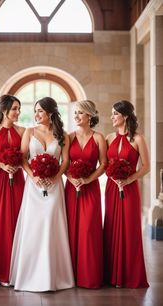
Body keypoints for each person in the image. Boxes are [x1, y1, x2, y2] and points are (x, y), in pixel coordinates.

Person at [9, 97, 74, 292]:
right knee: (33, 226)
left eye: (40, 111)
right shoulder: (29, 132)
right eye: (35, 111)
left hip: (54, 187)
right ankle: (28, 275)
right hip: (34, 186)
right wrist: (34, 177)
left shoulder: (63, 135)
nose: (36, 115)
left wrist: (55, 178)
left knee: (51, 225)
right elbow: (23, 159)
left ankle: (55, 276)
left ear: (50, 113)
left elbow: (65, 161)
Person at [104, 100, 150, 288]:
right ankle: (111, 276)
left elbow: (146, 166)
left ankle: (130, 276)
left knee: (130, 230)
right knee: (111, 228)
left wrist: (129, 180)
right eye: (112, 113)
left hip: (130, 189)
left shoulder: (138, 139)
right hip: (112, 188)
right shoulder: (108, 138)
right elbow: (105, 165)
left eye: (115, 113)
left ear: (125, 116)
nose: (112, 117)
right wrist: (114, 178)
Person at [65, 100, 106, 288]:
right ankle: (70, 276)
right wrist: (71, 178)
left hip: (91, 188)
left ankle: (89, 276)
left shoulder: (99, 138)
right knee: (71, 229)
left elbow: (104, 164)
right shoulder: (68, 137)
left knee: (89, 230)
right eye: (75, 113)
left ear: (89, 115)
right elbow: (63, 163)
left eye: (80, 113)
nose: (76, 116)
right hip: (71, 188)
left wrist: (89, 179)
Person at [0, 94, 25, 286]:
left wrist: (17, 166)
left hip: (18, 178)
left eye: (19, 109)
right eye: (15, 109)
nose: (18, 112)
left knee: (18, 219)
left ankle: (17, 269)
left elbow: (26, 156)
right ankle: (0, 270)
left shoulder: (23, 131)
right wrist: (2, 165)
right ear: (4, 110)